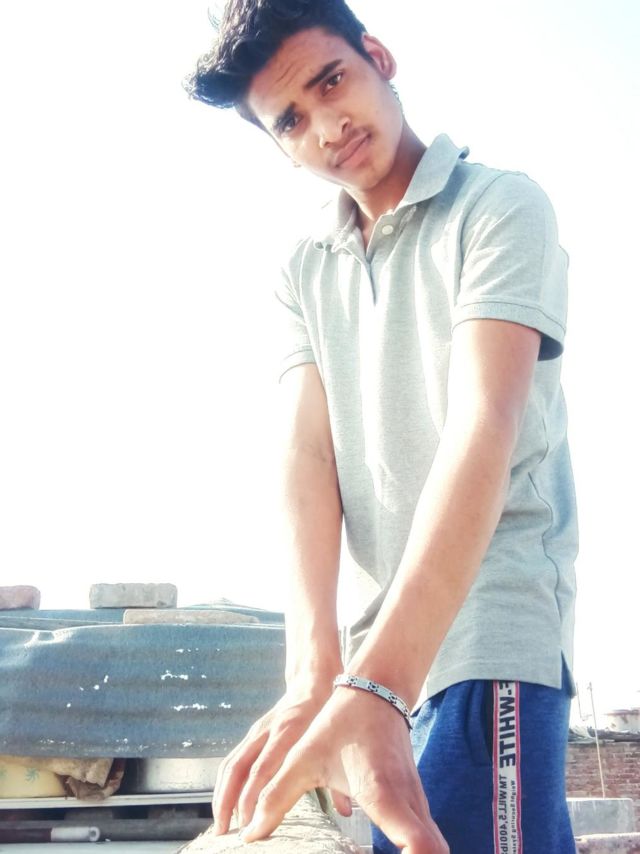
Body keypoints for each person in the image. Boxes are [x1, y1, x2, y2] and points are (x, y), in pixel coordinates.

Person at [186, 2, 578, 851]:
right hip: (375, 672)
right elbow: (306, 458)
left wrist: (377, 685)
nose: (327, 127)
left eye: (332, 81)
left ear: (379, 57)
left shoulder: (499, 206)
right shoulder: (303, 270)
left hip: (484, 635)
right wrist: (315, 676)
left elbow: (484, 421)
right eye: (291, 121)